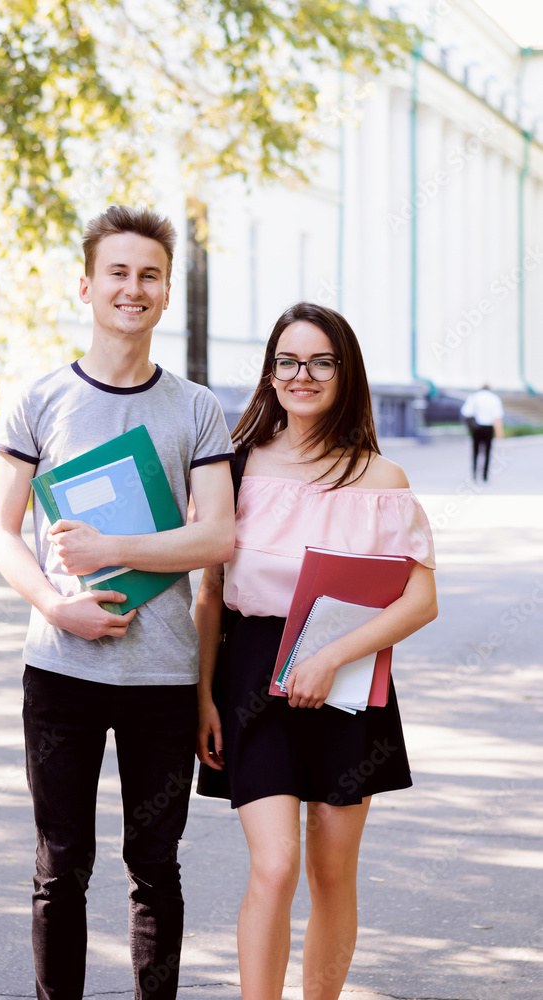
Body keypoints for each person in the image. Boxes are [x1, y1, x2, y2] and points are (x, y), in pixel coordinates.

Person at [0, 205, 235, 1000]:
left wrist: (110, 552)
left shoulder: (196, 408)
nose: (134, 288)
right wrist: (58, 608)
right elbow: (1, 531)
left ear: (166, 294)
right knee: (60, 868)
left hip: (162, 677)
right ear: (86, 286)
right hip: (59, 672)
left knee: (154, 869)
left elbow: (217, 537)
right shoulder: (40, 400)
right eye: (119, 273)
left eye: (150, 275)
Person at [194, 302, 437, 1000]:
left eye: (320, 361)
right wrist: (200, 695)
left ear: (344, 372)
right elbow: (208, 595)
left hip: (349, 674)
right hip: (250, 676)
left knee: (333, 873)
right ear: (270, 373)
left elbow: (419, 601)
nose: (302, 375)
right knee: (274, 865)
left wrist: (331, 657)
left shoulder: (379, 479)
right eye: (288, 361)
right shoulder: (233, 468)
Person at [460, 385, 504, 482]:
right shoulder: (494, 398)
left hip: (477, 426)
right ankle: (485, 475)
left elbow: (466, 412)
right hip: (488, 427)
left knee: (475, 451)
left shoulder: (474, 397)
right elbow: (497, 417)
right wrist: (499, 432)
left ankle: (474, 473)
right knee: (487, 452)